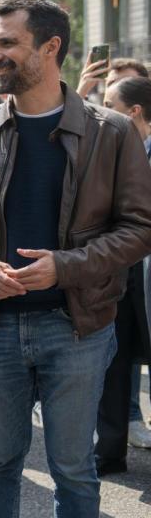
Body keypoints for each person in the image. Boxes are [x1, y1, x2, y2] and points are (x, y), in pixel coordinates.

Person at [0, 0, 151, 516]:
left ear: (51, 47)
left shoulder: (113, 132)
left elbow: (140, 228)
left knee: (73, 468)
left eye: (7, 43)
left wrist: (64, 266)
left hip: (77, 328)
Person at [96, 76, 151, 471]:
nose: (101, 113)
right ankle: (109, 451)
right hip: (118, 275)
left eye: (109, 104)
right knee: (113, 363)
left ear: (133, 112)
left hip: (147, 275)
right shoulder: (109, 151)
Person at [77, 56, 149, 101]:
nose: (116, 89)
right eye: (111, 83)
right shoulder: (93, 119)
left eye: (127, 84)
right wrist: (81, 92)